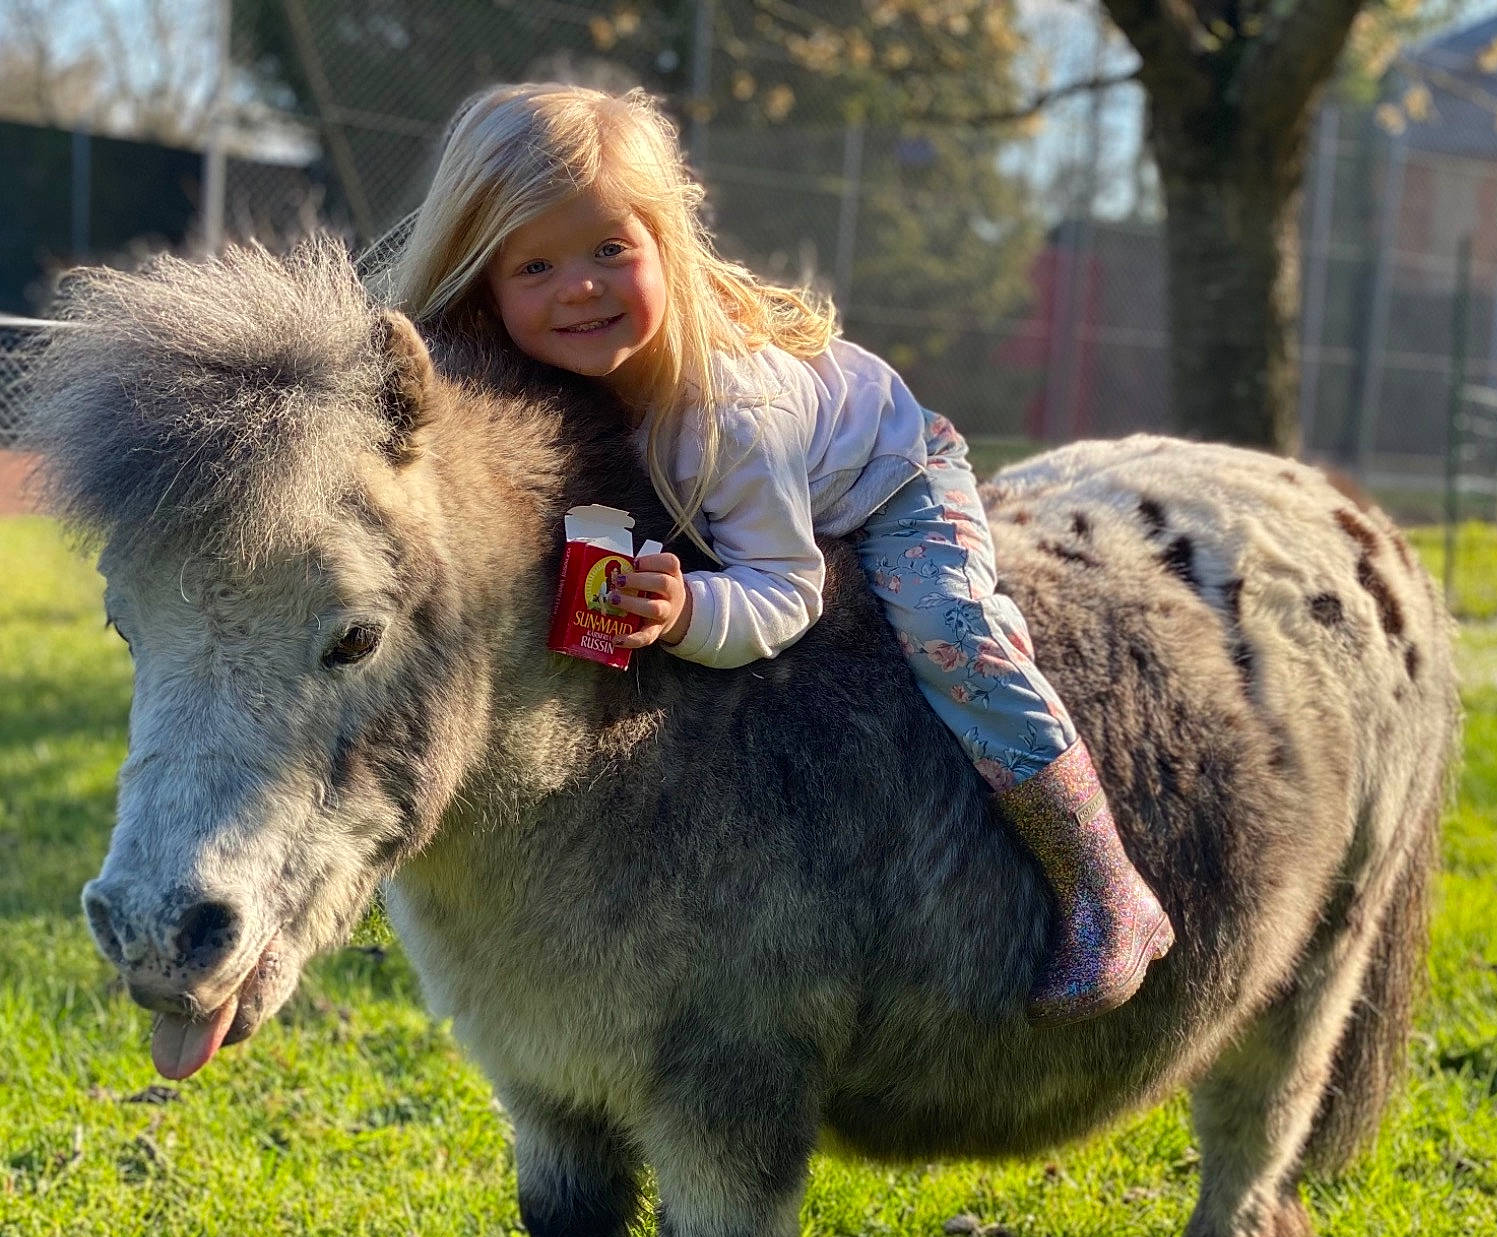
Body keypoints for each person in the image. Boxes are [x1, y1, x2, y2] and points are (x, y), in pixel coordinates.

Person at [388, 83, 1171, 1023]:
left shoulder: (729, 416)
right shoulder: (516, 386)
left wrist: (688, 610)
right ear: (483, 281)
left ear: (665, 245)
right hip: (721, 483)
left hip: (890, 475)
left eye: (610, 250)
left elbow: (787, 587)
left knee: (952, 634)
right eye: (536, 265)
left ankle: (1104, 885)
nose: (581, 285)